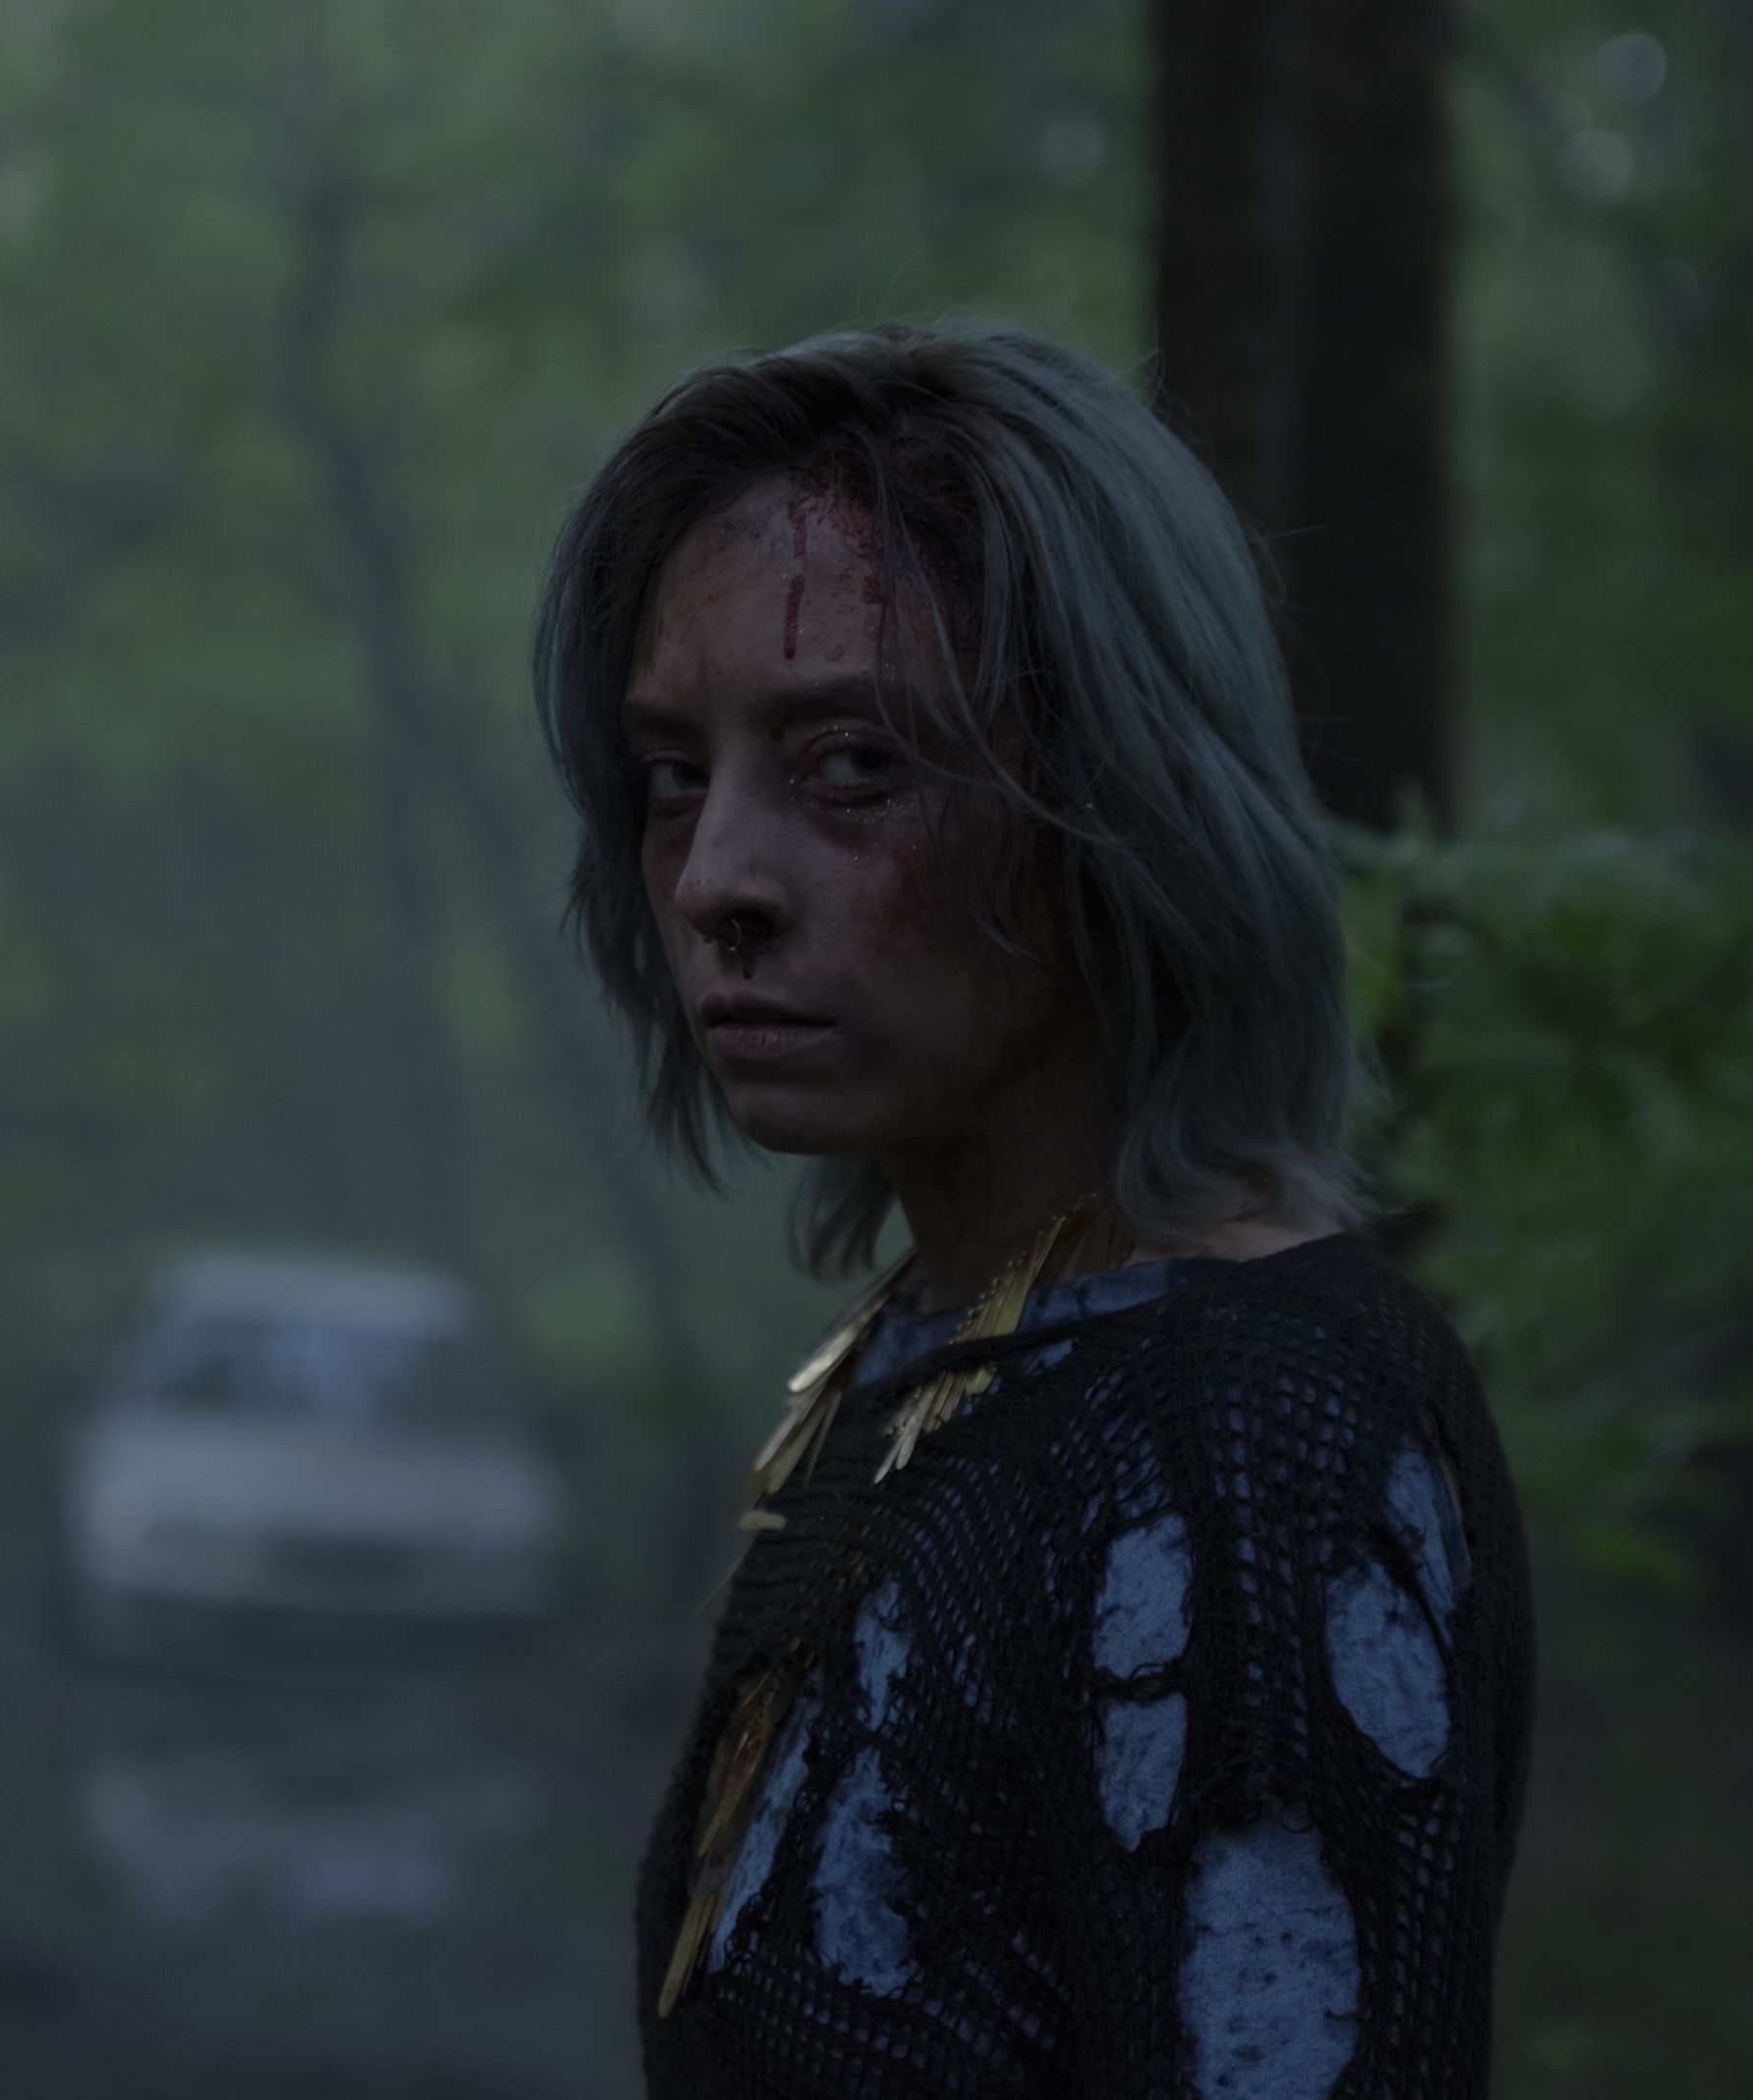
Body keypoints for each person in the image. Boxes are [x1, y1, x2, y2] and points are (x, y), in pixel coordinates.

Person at [532, 321, 1532, 2098]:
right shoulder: (950, 1346)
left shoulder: (1244, 1431)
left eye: (854, 764)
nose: (715, 879)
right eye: (676, 774)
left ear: (1119, 801)